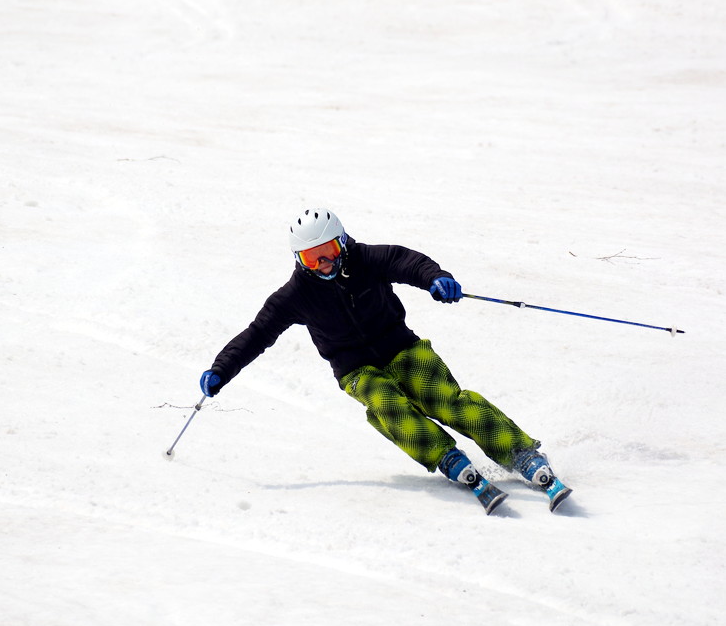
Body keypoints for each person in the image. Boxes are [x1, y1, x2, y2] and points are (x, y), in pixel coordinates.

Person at [200, 207, 570, 513]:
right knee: (386, 404)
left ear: (342, 241)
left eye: (327, 250)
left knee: (446, 399)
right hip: (356, 370)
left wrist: (437, 279)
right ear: (299, 259)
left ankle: (521, 455)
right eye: (311, 257)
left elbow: (410, 262)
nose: (323, 262)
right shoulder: (295, 295)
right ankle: (447, 457)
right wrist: (221, 369)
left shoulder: (368, 260)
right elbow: (257, 334)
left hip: (402, 348)